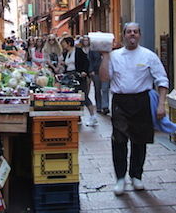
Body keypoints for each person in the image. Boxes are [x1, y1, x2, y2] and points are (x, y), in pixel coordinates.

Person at [99, 22, 169, 196]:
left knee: (140, 141)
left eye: (135, 32)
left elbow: (162, 80)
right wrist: (105, 56)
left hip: (141, 101)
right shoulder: (114, 56)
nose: (132, 35)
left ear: (140, 35)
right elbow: (104, 78)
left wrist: (161, 104)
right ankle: (120, 178)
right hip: (120, 102)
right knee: (119, 141)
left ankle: (136, 176)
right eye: (129, 32)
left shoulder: (149, 56)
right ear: (124, 35)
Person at [60, 37, 97, 126]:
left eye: (64, 43)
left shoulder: (78, 51)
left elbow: (86, 62)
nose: (62, 44)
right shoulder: (65, 53)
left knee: (83, 96)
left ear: (68, 43)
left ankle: (93, 117)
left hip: (79, 76)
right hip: (69, 77)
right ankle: (77, 117)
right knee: (72, 96)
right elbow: (67, 65)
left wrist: (84, 71)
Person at [87, 37, 110, 115]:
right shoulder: (92, 49)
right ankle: (99, 106)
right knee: (97, 89)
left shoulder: (107, 49)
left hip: (106, 71)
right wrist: (91, 70)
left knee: (105, 89)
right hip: (96, 72)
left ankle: (105, 106)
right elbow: (90, 60)